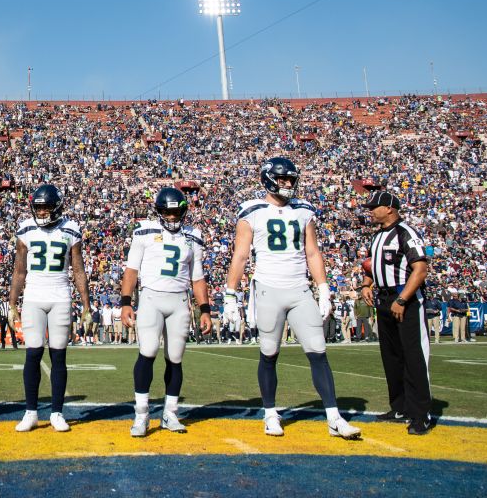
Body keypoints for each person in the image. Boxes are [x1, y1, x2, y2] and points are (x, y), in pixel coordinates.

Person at [224, 158, 361, 439]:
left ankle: (334, 417)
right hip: (267, 288)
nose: (288, 184)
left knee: (318, 351)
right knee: (269, 352)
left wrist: (323, 288)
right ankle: (270, 414)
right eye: (283, 179)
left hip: (299, 288)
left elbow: (312, 252)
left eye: (290, 179)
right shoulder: (252, 211)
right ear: (268, 179)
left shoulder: (303, 210)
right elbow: (240, 254)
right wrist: (230, 293)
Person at [120, 187, 212, 437]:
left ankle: (170, 413)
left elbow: (198, 278)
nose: (172, 217)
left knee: (175, 357)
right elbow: (131, 270)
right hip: (151, 297)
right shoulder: (144, 232)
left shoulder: (193, 236)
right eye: (167, 213)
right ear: (159, 212)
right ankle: (141, 415)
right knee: (147, 352)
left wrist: (204, 309)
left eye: (176, 212)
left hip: (180, 301)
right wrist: (126, 301)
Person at [8, 184, 94, 433]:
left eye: (46, 207)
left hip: (60, 295)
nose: (42, 212)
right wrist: (12, 302)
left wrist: (86, 305)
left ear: (56, 207)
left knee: (58, 355)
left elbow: (78, 270)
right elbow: (19, 270)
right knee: (33, 354)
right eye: (39, 207)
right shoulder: (26, 228)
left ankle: (57, 412)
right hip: (34, 296)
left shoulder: (70, 228)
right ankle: (31, 412)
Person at [359, 190, 433, 435]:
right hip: (384, 298)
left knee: (414, 357)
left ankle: (421, 413)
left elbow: (420, 269)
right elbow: (372, 264)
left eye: (374, 207)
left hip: (405, 299)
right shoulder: (377, 236)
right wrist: (366, 284)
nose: (370, 211)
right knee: (391, 357)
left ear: (389, 208)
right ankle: (399, 407)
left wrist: (402, 299)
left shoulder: (406, 233)